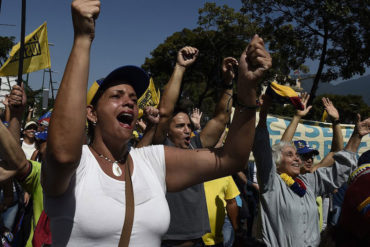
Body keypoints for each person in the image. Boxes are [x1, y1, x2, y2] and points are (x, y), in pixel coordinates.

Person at [41, 1, 271, 246]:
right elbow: (64, 153)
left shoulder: (150, 162)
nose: (129, 103)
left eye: (133, 98)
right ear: (91, 114)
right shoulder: (78, 165)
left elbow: (231, 159)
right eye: (117, 96)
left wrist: (246, 90)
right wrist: (83, 39)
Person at [252, 94, 369, 246]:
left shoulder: (309, 181)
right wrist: (263, 113)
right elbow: (261, 148)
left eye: (296, 155)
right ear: (276, 163)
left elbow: (339, 169)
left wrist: (357, 136)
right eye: (290, 155)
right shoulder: (271, 183)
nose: (297, 159)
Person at [153, 49, 238, 246]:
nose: (187, 130)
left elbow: (220, 118)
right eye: (180, 126)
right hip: (167, 240)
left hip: (198, 239)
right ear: (167, 131)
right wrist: (181, 67)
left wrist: (227, 82)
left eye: (189, 126)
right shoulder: (158, 149)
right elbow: (164, 112)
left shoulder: (196, 146)